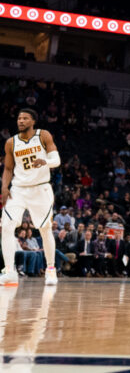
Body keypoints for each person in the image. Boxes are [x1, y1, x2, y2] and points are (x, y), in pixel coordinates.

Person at [1, 108, 60, 285]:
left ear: (33, 121)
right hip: (18, 189)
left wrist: (46, 162)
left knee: (44, 229)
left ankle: (50, 269)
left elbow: (56, 160)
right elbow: (9, 168)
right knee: (6, 225)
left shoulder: (43, 135)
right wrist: (4, 186)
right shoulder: (11, 142)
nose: (21, 121)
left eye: (25, 118)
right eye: (19, 118)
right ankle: (10, 271)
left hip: (40, 188)